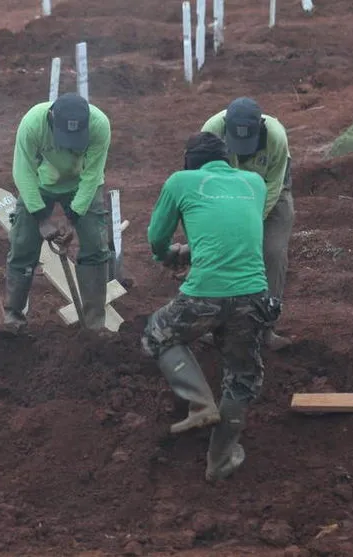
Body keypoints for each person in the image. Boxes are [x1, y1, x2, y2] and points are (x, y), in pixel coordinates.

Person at [141, 132, 281, 482]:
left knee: (158, 335)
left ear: (189, 161)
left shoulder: (180, 181)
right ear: (228, 160)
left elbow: (156, 237)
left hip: (205, 294)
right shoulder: (254, 182)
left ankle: (200, 403)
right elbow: (231, 225)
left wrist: (167, 255)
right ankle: (219, 461)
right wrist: (195, 249)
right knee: (242, 378)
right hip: (253, 295)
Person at [3, 92, 112, 334]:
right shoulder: (33, 124)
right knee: (22, 245)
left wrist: (73, 218)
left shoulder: (99, 125)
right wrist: (41, 218)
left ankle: (95, 325)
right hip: (41, 185)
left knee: (96, 246)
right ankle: (13, 319)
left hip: (82, 185)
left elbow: (92, 175)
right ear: (51, 118)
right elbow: (23, 173)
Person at [201, 97, 294, 351]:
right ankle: (214, 324)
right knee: (217, 251)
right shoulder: (211, 131)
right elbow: (202, 182)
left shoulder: (276, 137)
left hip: (269, 195)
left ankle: (266, 328)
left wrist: (250, 226)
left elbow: (274, 188)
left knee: (272, 253)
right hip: (224, 195)